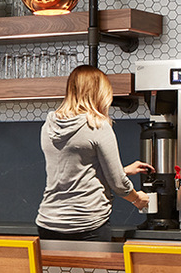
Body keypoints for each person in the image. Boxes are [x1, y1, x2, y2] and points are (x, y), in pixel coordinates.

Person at [36, 65, 151, 241]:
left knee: (56, 269)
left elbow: (70, 171)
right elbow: (118, 184)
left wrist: (123, 170)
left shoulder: (49, 124)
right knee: (94, 270)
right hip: (87, 223)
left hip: (48, 222)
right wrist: (138, 199)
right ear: (99, 92)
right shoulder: (97, 125)